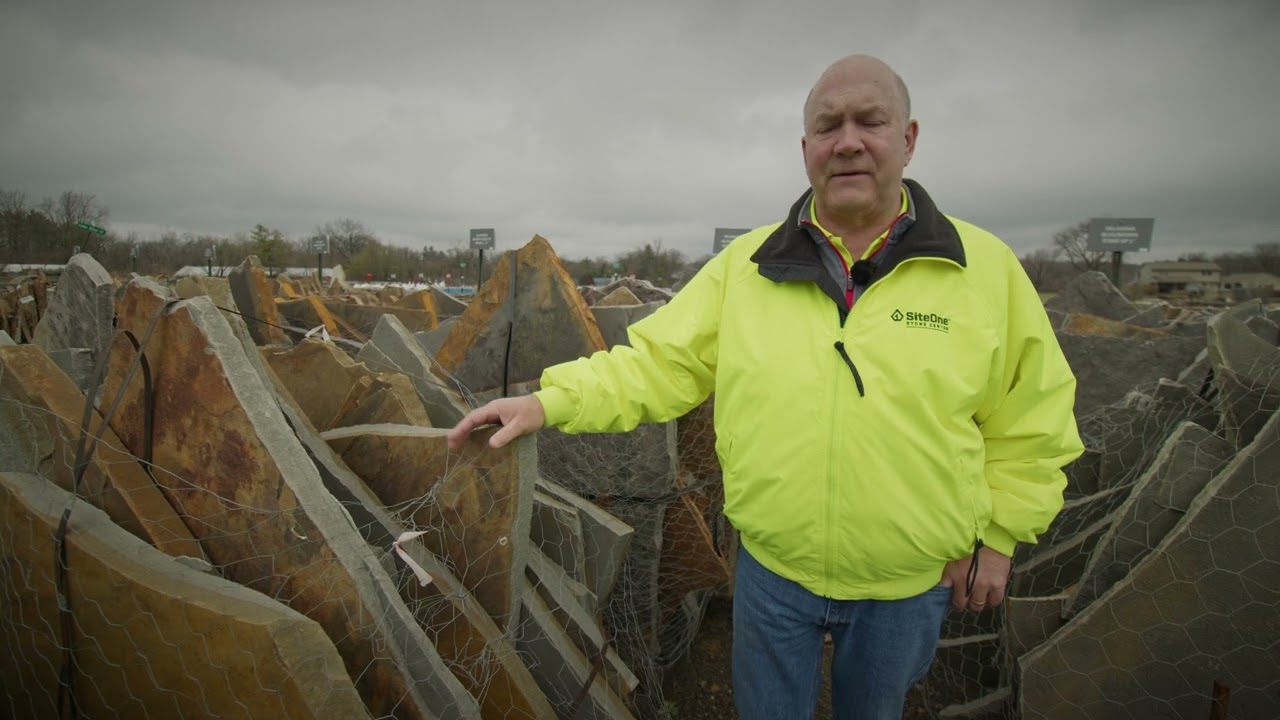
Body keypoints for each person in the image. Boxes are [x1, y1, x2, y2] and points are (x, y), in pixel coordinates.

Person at [448, 54, 1084, 719]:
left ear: (909, 138)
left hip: (909, 583)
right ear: (805, 147)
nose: (848, 141)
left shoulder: (983, 271)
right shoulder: (746, 269)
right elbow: (655, 366)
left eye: (870, 121)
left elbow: (1032, 418)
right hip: (774, 576)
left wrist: (1000, 535)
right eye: (827, 125)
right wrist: (547, 401)